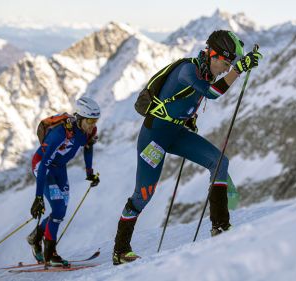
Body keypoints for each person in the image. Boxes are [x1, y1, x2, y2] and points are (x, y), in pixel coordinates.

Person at [112, 30, 262, 265]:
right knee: (143, 195)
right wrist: (239, 69)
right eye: (224, 62)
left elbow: (189, 97)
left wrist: (187, 117)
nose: (225, 67)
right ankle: (120, 251)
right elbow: (212, 94)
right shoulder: (188, 70)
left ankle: (220, 226)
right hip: (154, 138)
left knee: (220, 162)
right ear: (212, 55)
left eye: (228, 64)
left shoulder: (205, 73)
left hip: (175, 133)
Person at [27, 96, 101, 266]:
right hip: (43, 166)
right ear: (81, 117)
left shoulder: (87, 131)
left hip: (59, 168)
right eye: (90, 120)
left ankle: (35, 237)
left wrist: (89, 172)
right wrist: (38, 197)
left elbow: (88, 146)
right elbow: (44, 163)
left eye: (96, 120)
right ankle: (51, 253)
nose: (93, 124)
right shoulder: (60, 134)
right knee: (58, 209)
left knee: (60, 212)